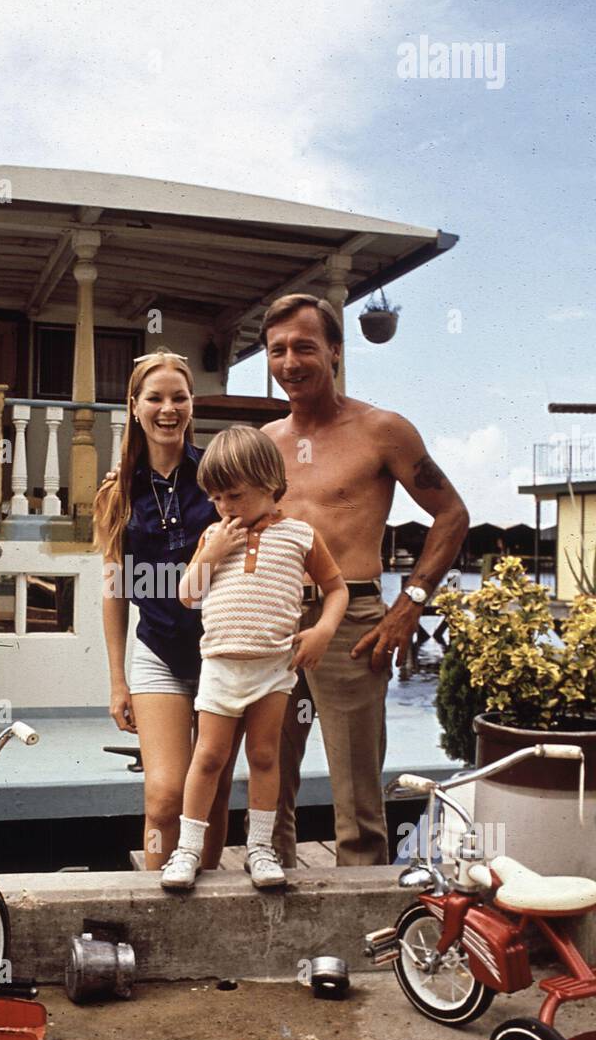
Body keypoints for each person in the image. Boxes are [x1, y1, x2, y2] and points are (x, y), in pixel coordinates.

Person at [258, 294, 470, 867]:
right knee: (267, 771)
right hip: (272, 617)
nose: (291, 362)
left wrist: (411, 605)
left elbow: (451, 514)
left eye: (304, 346)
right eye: (277, 350)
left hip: (352, 618)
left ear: (334, 351)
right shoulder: (266, 443)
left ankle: (363, 926)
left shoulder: (382, 430)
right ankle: (271, 894)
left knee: (355, 787)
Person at [161, 425, 348, 890]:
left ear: (269, 484)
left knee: (265, 757)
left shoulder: (300, 535)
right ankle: (186, 851)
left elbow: (336, 589)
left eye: (235, 495)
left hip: (274, 668)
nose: (225, 507)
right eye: (216, 498)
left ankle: (260, 849)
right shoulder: (215, 536)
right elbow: (187, 595)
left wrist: (322, 630)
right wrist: (213, 552)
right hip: (222, 665)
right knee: (207, 758)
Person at [93, 350, 241, 871]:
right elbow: (114, 589)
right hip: (157, 652)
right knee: (163, 797)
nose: (168, 408)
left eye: (179, 397)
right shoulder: (116, 493)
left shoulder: (218, 477)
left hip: (222, 652)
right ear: (134, 406)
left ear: (192, 404)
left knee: (216, 788)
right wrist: (117, 681)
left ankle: (208, 896)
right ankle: (157, 904)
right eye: (154, 397)